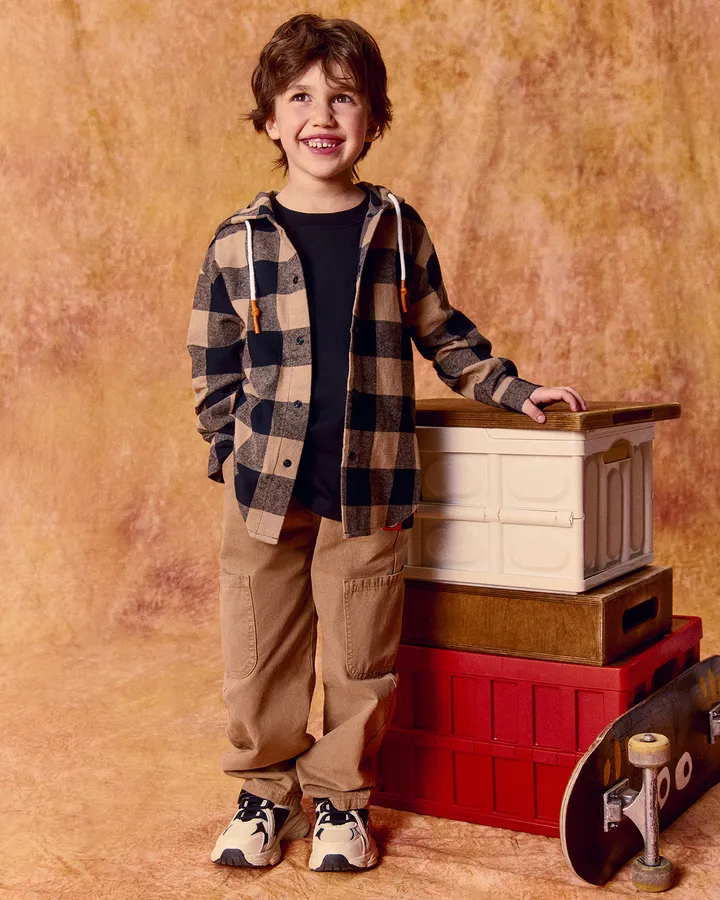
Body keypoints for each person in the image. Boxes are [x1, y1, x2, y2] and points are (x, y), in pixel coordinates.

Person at [187, 12, 586, 873]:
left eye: (343, 97)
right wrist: (227, 452)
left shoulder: (396, 230)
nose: (321, 115)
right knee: (258, 652)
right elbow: (212, 360)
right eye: (300, 98)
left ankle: (341, 802)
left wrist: (513, 388)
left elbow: (443, 333)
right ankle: (264, 795)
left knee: (360, 656)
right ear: (270, 121)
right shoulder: (238, 240)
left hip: (369, 487)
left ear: (372, 120)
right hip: (263, 492)